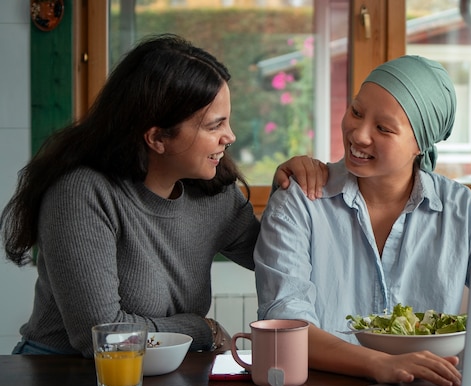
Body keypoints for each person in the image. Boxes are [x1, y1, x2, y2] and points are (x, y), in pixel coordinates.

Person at [1, 34, 327, 358]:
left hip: (163, 373)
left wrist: (286, 195)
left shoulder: (211, 190)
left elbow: (278, 257)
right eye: (215, 126)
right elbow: (102, 337)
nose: (230, 136)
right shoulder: (81, 194)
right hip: (61, 378)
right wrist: (202, 329)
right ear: (157, 138)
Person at [254, 55, 471, 386]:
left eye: (383, 128)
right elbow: (286, 328)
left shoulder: (463, 211)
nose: (359, 134)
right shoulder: (300, 200)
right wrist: (382, 365)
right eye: (356, 111)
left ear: (420, 145)